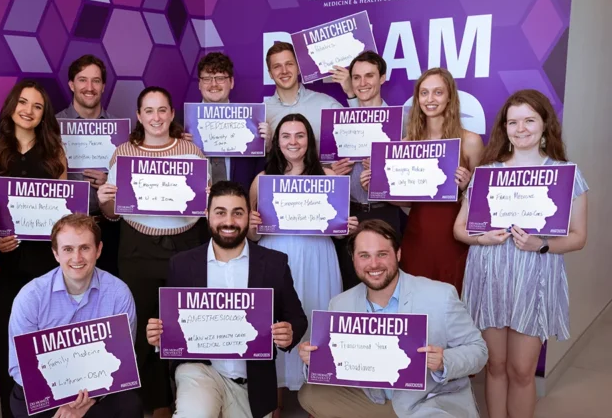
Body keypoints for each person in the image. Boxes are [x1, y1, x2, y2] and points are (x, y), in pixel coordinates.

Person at [453, 90, 589, 418]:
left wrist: (540, 245)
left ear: (545, 124)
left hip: (535, 279)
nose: (521, 128)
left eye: (529, 120)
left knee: (522, 371)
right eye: (513, 122)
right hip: (489, 277)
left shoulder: (565, 173)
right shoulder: (487, 173)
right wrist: (482, 238)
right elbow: (460, 229)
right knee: (495, 367)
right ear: (504, 128)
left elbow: (579, 237)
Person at [144, 180, 307, 418]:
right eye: (220, 212)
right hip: (200, 370)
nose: (229, 222)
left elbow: (297, 318)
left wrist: (289, 333)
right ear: (207, 215)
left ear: (249, 216)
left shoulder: (274, 264)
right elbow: (172, 325)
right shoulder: (182, 264)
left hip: (253, 380)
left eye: (237, 213)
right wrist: (159, 335)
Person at [298, 219, 488, 417]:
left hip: (428, 401)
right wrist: (315, 359)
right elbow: (336, 366)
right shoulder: (340, 304)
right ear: (353, 259)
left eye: (382, 254)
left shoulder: (440, 295)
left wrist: (444, 361)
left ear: (397, 254)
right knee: (310, 393)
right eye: (364, 256)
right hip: (375, 400)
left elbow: (479, 350)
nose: (374, 264)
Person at [98, 86, 209, 418]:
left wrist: (206, 197)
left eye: (162, 110)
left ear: (172, 114)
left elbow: (203, 206)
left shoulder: (192, 152)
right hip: (137, 248)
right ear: (139, 116)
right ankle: (157, 405)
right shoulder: (123, 153)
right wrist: (105, 199)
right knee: (145, 330)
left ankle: (194, 401)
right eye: (149, 110)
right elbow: (113, 214)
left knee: (186, 325)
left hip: (187, 245)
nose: (156, 117)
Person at [0, 80, 68, 417]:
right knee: (9, 343)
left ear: (44, 115)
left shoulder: (55, 151)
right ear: (12, 106)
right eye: (23, 102)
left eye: (37, 106)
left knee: (50, 343)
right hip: (4, 263)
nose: (28, 110)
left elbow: (63, 212)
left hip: (46, 265)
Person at [247, 113, 357, 416]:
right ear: (277, 141)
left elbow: (340, 230)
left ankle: (317, 401)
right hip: (275, 256)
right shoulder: (262, 180)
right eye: (285, 136)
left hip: (318, 257)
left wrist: (348, 227)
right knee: (278, 322)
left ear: (309, 140)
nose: (293, 142)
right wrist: (252, 225)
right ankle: (276, 402)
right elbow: (252, 236)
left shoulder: (330, 176)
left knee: (316, 318)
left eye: (299, 135)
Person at [361, 67, 484, 294]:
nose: (430, 99)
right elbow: (407, 201)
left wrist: (467, 187)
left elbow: (483, 203)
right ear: (417, 98)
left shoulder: (470, 142)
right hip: (417, 235)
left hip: (454, 238)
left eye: (438, 92)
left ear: (450, 97)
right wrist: (377, 188)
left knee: (452, 303)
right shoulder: (407, 144)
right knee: (417, 301)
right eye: (424, 93)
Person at [7, 213, 141, 418]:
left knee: (130, 405)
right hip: (43, 390)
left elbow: (122, 362)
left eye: (85, 248)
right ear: (55, 253)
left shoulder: (118, 294)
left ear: (99, 250)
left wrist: (87, 401)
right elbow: (20, 367)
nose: (77, 258)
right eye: (68, 249)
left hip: (99, 390)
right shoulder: (30, 297)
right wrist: (62, 399)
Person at [329, 50, 403, 291]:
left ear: (382, 78)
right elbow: (321, 166)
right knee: (351, 286)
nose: (363, 83)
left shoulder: (401, 123)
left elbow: (412, 176)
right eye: (357, 77)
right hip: (349, 216)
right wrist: (332, 173)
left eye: (369, 76)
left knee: (389, 284)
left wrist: (386, 171)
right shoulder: (337, 122)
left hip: (388, 213)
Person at [56, 54, 121, 276]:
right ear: (72, 85)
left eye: (96, 81)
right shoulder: (53, 128)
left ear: (103, 86)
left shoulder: (120, 131)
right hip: (67, 230)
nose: (89, 87)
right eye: (83, 80)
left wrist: (109, 182)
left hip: (109, 229)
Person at [264, 42, 354, 177]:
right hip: (280, 191)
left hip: (320, 189)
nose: (284, 71)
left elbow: (356, 139)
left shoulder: (326, 105)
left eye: (289, 64)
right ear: (270, 73)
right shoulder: (263, 112)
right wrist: (266, 146)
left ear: (299, 68)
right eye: (277, 66)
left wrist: (332, 169)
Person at [182, 52, 270, 190]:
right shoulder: (181, 126)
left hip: (239, 205)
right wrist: (179, 146)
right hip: (197, 205)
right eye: (207, 79)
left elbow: (263, 174)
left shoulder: (252, 122)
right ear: (199, 84)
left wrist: (267, 145)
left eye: (220, 78)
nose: (213, 84)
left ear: (232, 82)